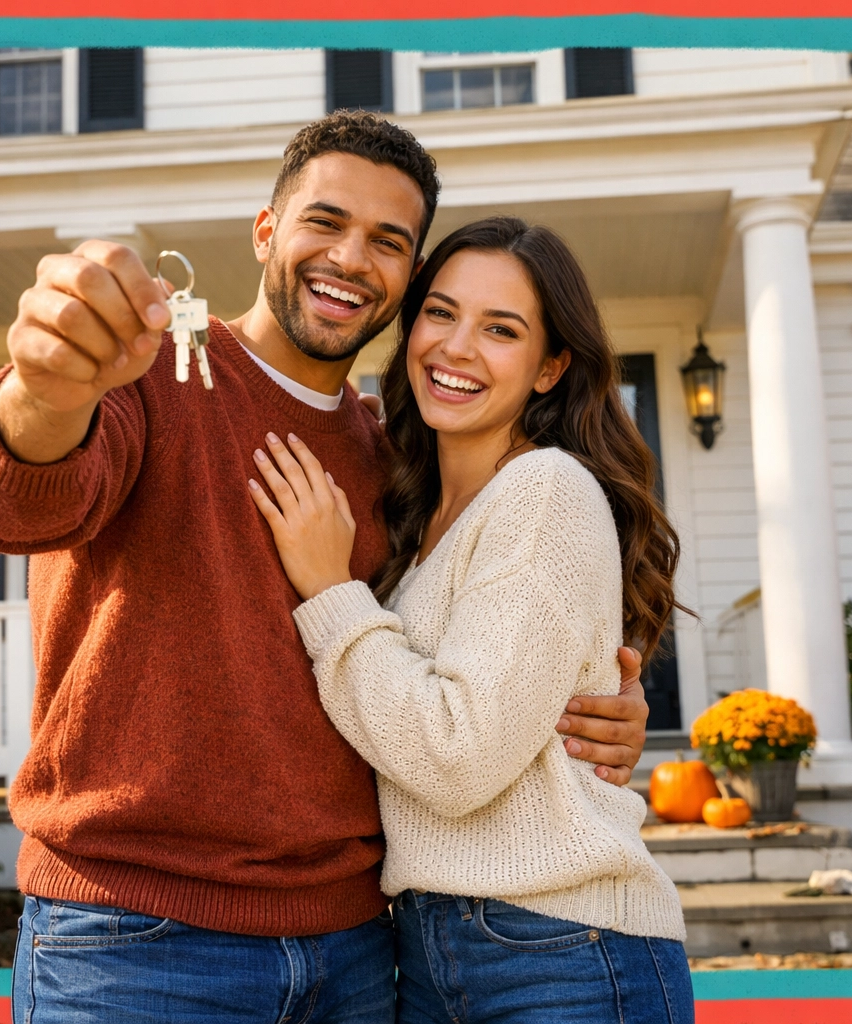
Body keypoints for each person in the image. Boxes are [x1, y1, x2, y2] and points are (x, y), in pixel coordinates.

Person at [0, 112, 653, 1023]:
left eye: (388, 242)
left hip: (358, 956)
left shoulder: (397, 463)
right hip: (134, 942)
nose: (351, 258)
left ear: (407, 277)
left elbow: (450, 664)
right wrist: (43, 391)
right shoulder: (151, 374)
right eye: (325, 221)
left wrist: (583, 706)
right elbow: (8, 499)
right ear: (266, 230)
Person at [247, 217, 695, 1024]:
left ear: (551, 367)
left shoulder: (545, 490)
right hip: (430, 952)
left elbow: (457, 758)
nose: (456, 348)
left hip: (561, 950)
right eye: (441, 313)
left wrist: (329, 591)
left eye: (501, 330)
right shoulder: (415, 514)